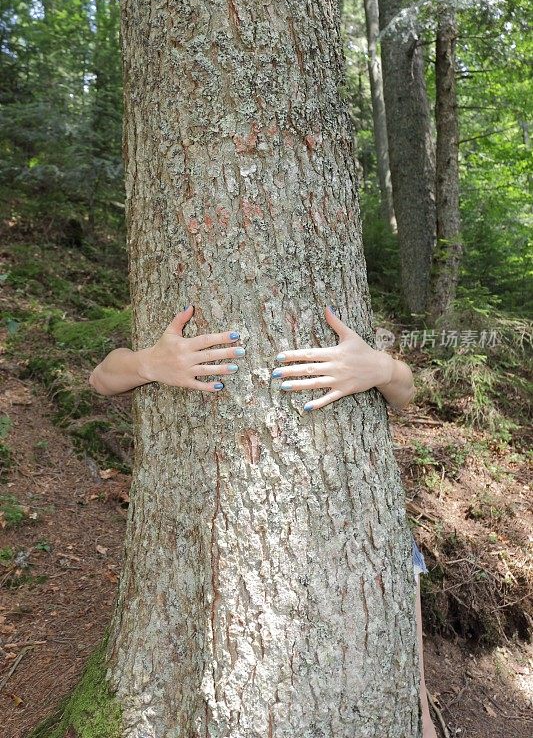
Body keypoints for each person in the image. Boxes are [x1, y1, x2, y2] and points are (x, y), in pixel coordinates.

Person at [89, 303, 437, 737]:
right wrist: (149, 363)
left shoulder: (354, 326)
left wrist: (382, 368)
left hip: (363, 539)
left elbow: (406, 392)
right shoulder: (169, 333)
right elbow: (101, 378)